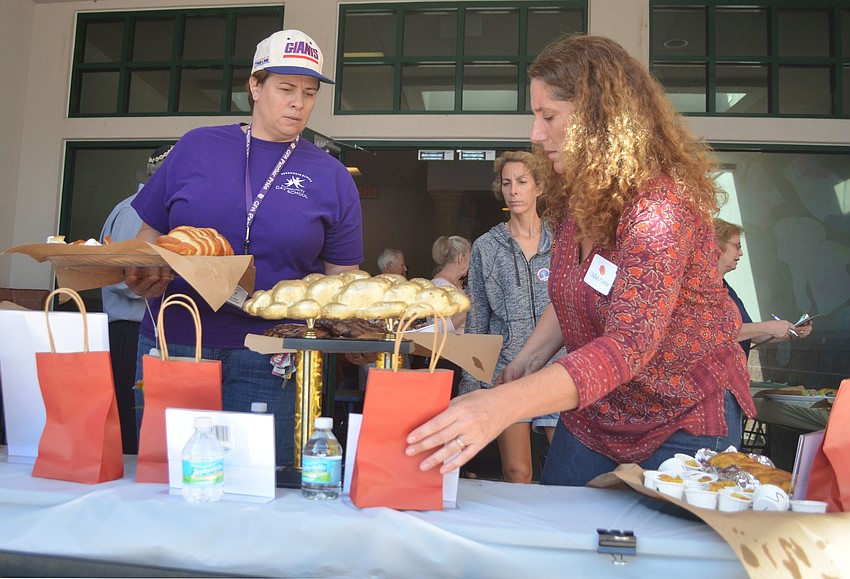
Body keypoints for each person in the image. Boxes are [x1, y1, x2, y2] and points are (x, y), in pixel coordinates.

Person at [406, 34, 756, 487]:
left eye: (548, 116)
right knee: (560, 524)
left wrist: (500, 406)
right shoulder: (579, 200)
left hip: (680, 415)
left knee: (654, 551)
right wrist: (525, 363)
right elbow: (576, 293)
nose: (535, 133)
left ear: (598, 119)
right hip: (601, 404)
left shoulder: (659, 210)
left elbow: (629, 343)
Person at [125, 29, 364, 466]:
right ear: (255, 86)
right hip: (177, 341)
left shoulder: (331, 176)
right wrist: (142, 272)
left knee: (262, 482)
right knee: (169, 479)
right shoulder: (197, 146)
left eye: (310, 93)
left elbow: (342, 279)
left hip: (272, 356)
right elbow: (147, 237)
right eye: (286, 89)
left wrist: (350, 328)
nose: (299, 103)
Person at [458, 150, 562, 483]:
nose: (514, 190)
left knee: (565, 470)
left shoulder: (562, 242)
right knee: (517, 472)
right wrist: (471, 387)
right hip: (507, 369)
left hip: (558, 369)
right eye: (506, 183)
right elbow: (477, 319)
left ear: (539, 187)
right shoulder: (487, 247)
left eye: (521, 182)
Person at [99, 145, 172, 455]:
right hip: (129, 330)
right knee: (131, 419)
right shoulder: (136, 211)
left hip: (147, 329)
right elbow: (122, 276)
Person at [714, 218, 813, 353]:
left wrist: (793, 331)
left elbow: (751, 335)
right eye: (737, 246)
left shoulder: (728, 290)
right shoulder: (699, 290)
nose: (741, 253)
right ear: (717, 246)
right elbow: (713, 333)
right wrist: (767, 327)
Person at [430, 235, 471, 334]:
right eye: (469, 259)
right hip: (450, 348)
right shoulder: (439, 287)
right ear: (461, 258)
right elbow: (437, 329)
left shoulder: (453, 285)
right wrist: (467, 311)